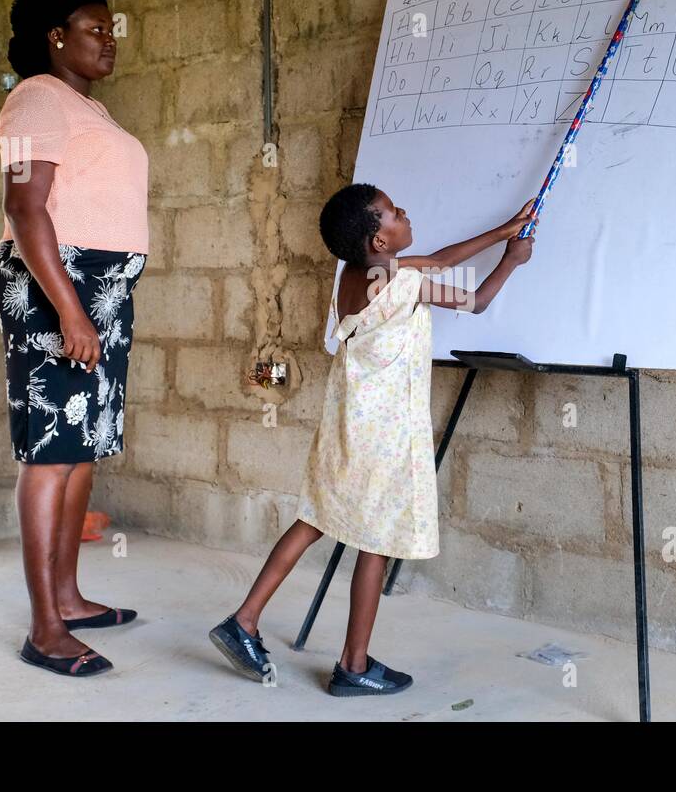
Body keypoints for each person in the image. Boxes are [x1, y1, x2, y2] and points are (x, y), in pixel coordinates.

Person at [209, 184, 535, 695]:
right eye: (392, 212)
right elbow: (476, 301)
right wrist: (512, 260)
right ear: (380, 240)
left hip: (346, 423)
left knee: (314, 517)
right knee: (376, 542)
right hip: (384, 434)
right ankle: (353, 666)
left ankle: (243, 620)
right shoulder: (402, 286)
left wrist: (500, 232)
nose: (403, 212)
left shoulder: (356, 272)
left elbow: (442, 258)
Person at [0, 0, 149, 677]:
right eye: (95, 28)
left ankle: (69, 599)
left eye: (111, 29)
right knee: (50, 452)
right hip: (67, 298)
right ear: (55, 36)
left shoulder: (82, 109)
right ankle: (45, 629)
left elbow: (61, 204)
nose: (109, 39)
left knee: (79, 450)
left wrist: (17, 258)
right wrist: (67, 306)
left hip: (96, 291)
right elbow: (26, 204)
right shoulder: (38, 96)